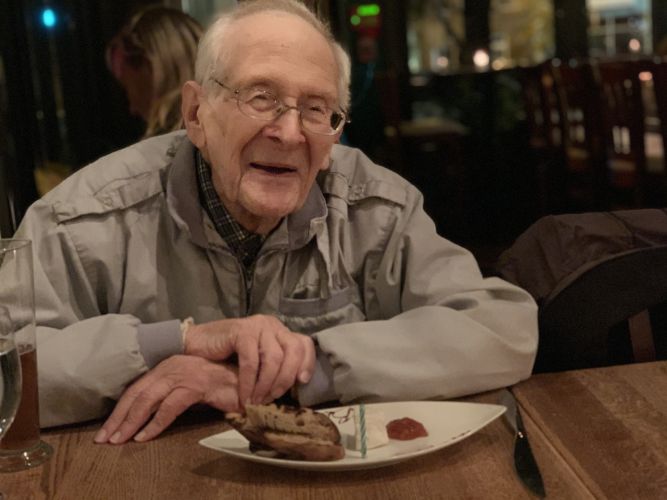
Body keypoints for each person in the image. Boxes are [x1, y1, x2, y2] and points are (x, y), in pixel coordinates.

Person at [9, 0, 538, 445]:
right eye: (260, 97)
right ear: (195, 113)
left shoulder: (375, 208)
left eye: (317, 109)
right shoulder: (87, 217)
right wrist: (175, 344)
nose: (289, 133)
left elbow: (501, 329)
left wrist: (306, 366)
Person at [106, 5, 203, 137]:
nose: (132, 108)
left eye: (127, 88)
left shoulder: (167, 146)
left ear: (150, 69)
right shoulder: (223, 120)